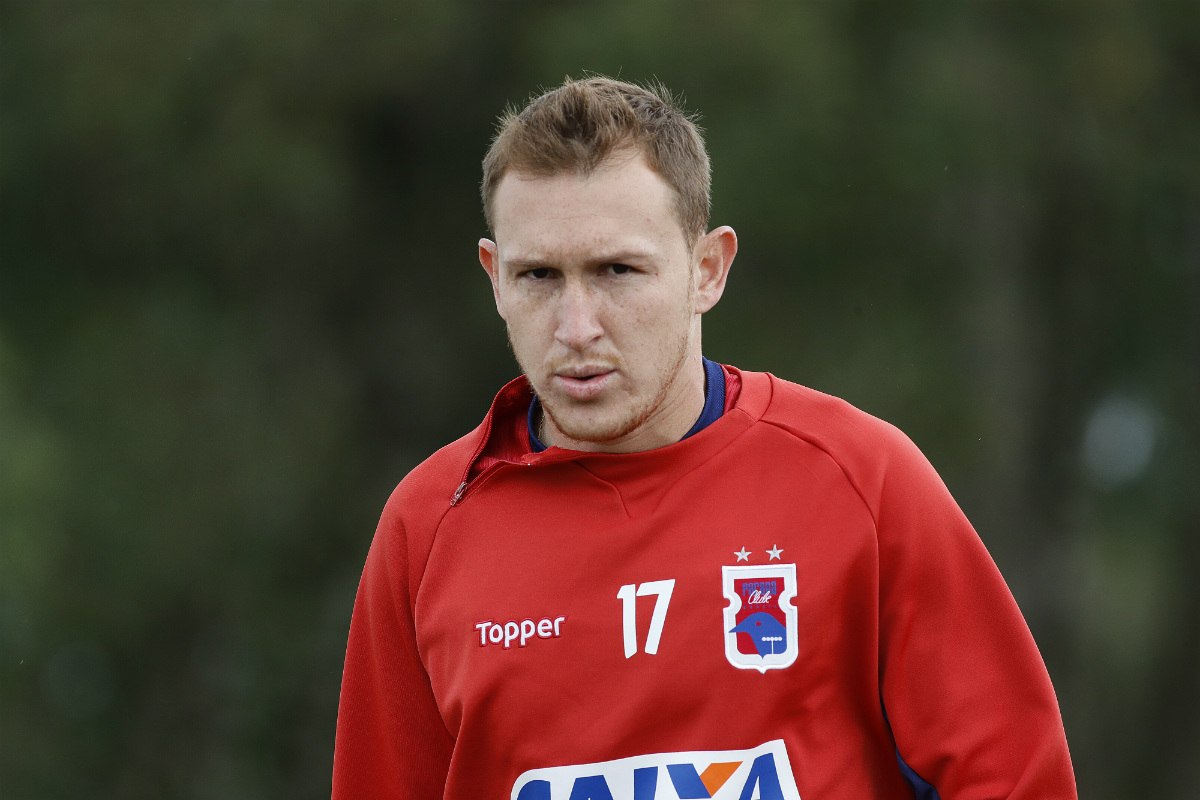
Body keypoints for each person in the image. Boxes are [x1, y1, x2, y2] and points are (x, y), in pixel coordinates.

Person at [332, 76, 1077, 800]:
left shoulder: (860, 479)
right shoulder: (427, 526)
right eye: (539, 277)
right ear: (495, 279)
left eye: (618, 270)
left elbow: (1016, 781)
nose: (577, 326)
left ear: (707, 269)